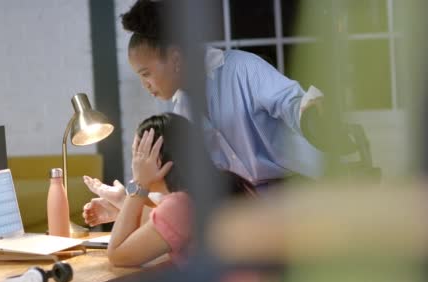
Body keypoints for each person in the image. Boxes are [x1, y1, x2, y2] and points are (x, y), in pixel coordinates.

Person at [121, 0, 324, 188]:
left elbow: (291, 103)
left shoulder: (243, 69)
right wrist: (128, 196)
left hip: (301, 188)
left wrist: (313, 117)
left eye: (145, 74)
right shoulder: (183, 110)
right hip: (251, 203)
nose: (144, 85)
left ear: (175, 59)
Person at [106, 112, 250, 267]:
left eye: (137, 155)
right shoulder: (227, 181)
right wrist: (120, 202)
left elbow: (117, 255)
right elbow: (160, 225)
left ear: (156, 159)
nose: (134, 164)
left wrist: (139, 183)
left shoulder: (179, 205)